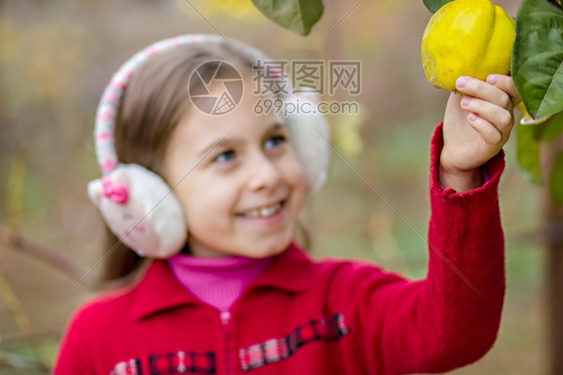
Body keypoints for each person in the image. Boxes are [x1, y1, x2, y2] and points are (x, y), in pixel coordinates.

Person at [55, 33, 519, 375]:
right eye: (225, 156)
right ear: (146, 194)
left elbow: (456, 333)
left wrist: (458, 175)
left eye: (276, 140)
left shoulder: (343, 305)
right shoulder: (98, 340)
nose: (268, 175)